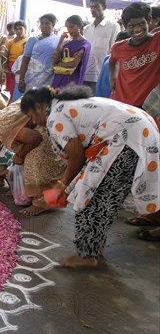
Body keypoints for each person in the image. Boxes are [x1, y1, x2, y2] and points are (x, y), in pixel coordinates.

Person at [20, 85, 159, 267]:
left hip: (126, 140)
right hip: (138, 134)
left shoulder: (55, 116)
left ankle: (86, 255)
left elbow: (76, 155)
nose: (34, 123)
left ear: (39, 106)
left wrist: (62, 186)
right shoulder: (65, 104)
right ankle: (94, 248)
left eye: (31, 116)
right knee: (104, 198)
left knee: (89, 198)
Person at [110, 2, 160, 112]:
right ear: (125, 26)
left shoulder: (157, 40)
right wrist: (113, 76)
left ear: (149, 20)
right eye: (131, 26)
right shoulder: (118, 47)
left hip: (148, 107)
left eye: (141, 24)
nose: (137, 29)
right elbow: (112, 62)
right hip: (123, 104)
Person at [83, 0, 122, 91]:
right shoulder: (86, 29)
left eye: (96, 6)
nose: (93, 9)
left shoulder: (113, 26)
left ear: (104, 7)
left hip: (102, 75)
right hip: (85, 74)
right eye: (91, 7)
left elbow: (114, 51)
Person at [19, 14, 59, 94]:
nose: (43, 26)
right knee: (31, 102)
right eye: (42, 23)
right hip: (32, 78)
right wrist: (21, 79)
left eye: (47, 23)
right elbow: (25, 60)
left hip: (50, 77)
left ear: (53, 25)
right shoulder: (32, 40)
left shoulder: (58, 40)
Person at [51, 15, 91, 89]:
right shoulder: (66, 42)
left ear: (79, 26)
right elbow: (54, 61)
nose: (69, 30)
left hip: (72, 80)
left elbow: (73, 64)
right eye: (67, 27)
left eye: (71, 27)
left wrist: (59, 64)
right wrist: (60, 41)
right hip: (59, 77)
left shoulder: (85, 44)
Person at [95, 31, 131, 98]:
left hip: (112, 97)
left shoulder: (127, 63)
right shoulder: (108, 57)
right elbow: (101, 77)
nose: (121, 47)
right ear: (115, 42)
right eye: (119, 43)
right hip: (100, 94)